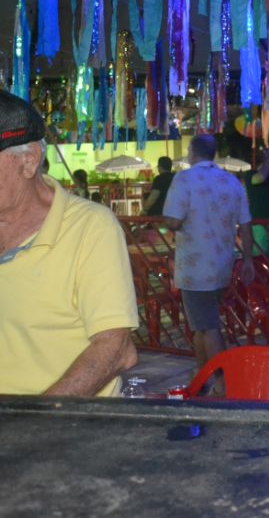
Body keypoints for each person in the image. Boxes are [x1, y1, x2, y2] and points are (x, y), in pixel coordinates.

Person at [0, 90, 139, 396]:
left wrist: (36, 417)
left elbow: (116, 349)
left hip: (58, 417)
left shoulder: (89, 227)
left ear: (29, 160)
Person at [162, 135, 254, 374]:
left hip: (195, 268)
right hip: (222, 264)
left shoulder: (184, 179)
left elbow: (173, 221)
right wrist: (248, 259)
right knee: (201, 325)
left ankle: (221, 382)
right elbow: (246, 224)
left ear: (192, 152)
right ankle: (202, 379)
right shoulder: (231, 181)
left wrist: (169, 219)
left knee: (208, 326)